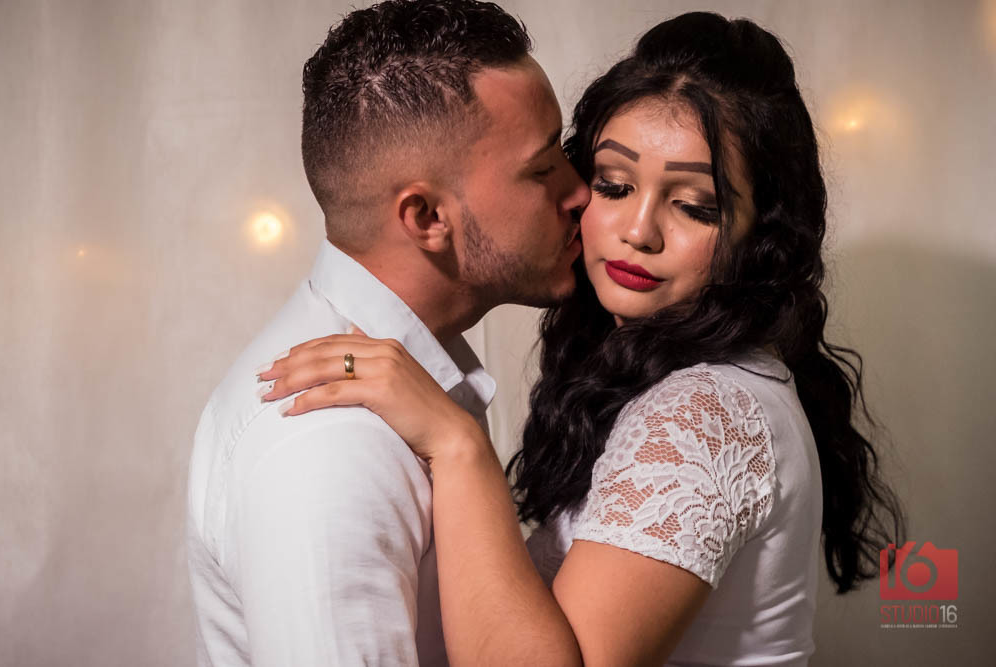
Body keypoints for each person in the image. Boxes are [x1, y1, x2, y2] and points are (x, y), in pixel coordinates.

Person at [259, 11, 907, 666]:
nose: (639, 231)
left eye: (695, 206)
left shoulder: (705, 410)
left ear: (760, 235)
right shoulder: (665, 379)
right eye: (614, 185)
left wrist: (457, 445)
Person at [186, 1, 588, 665]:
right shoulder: (329, 443)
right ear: (427, 217)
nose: (579, 193)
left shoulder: (407, 387)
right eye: (543, 168)